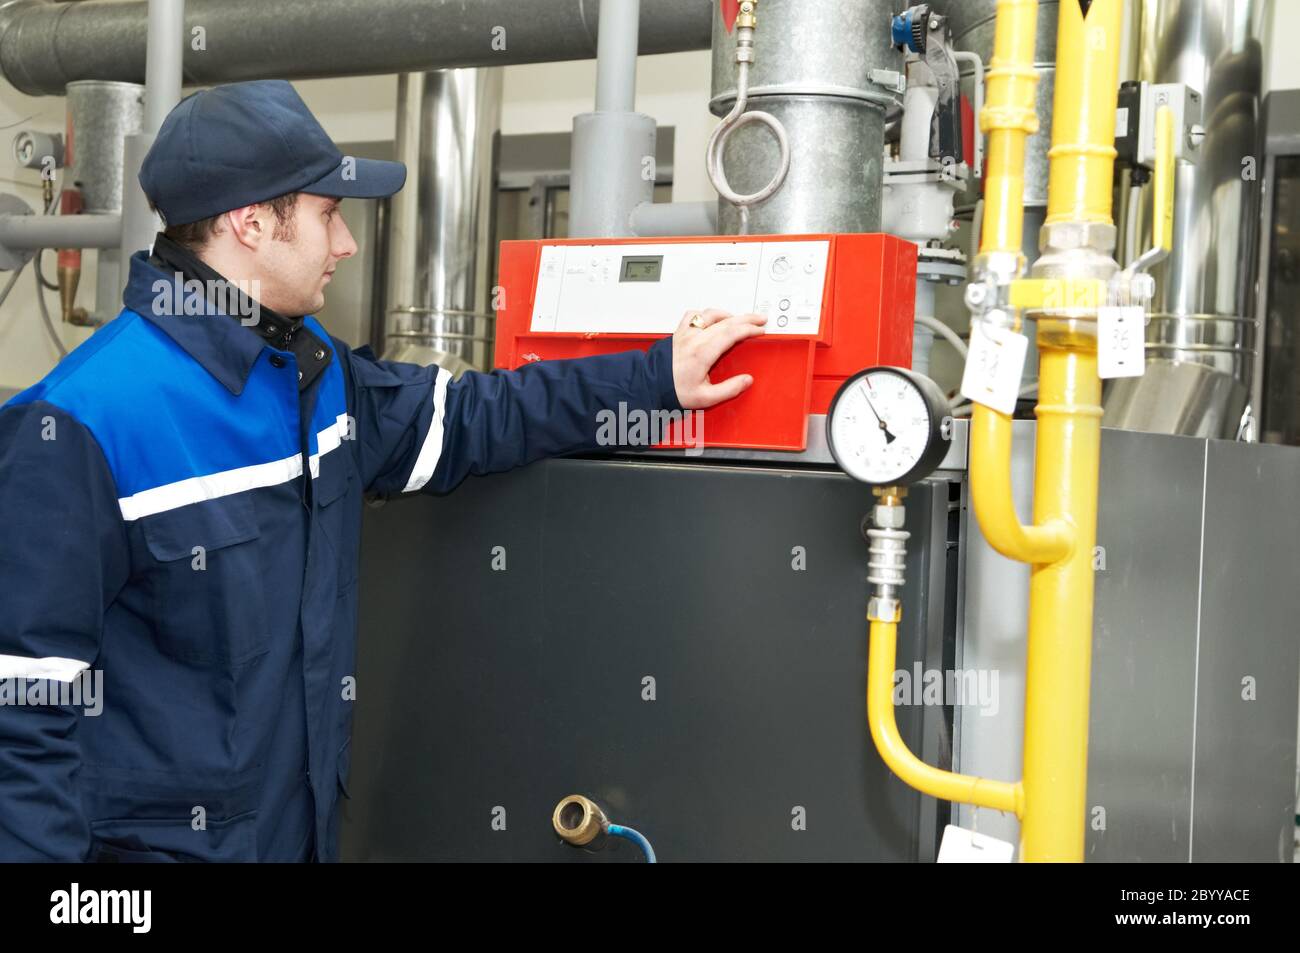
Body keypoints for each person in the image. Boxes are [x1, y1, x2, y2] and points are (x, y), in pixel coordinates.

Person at [0, 80, 765, 861]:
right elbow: (18, 720)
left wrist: (655, 381)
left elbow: (471, 415)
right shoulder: (79, 426)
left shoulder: (310, 373)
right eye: (328, 214)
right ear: (251, 221)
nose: (347, 244)